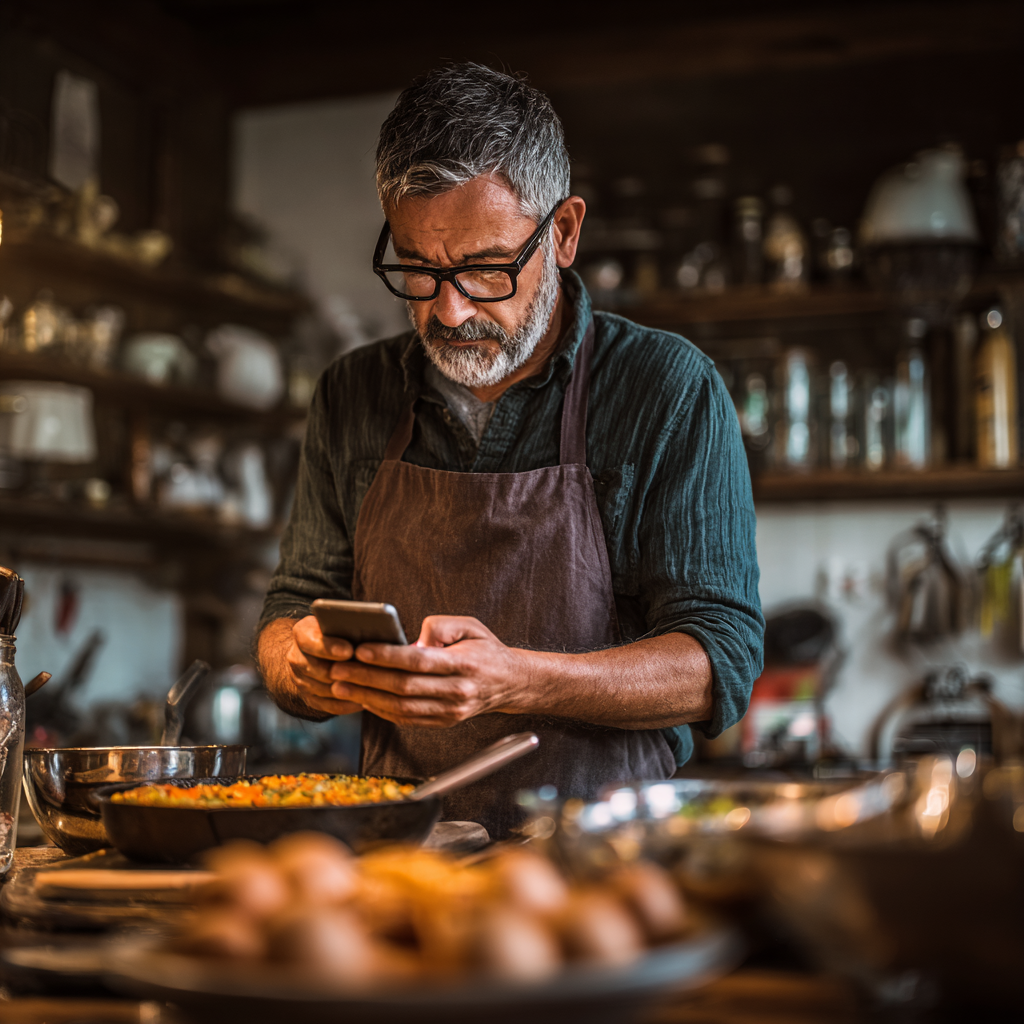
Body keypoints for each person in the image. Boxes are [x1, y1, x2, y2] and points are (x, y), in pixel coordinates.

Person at [257, 63, 763, 839]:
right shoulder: (351, 394)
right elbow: (289, 609)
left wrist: (516, 680)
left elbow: (719, 662)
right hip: (401, 856)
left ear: (562, 234)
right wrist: (300, 665)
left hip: (600, 855)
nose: (450, 310)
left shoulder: (667, 388)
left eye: (485, 269)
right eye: (417, 269)